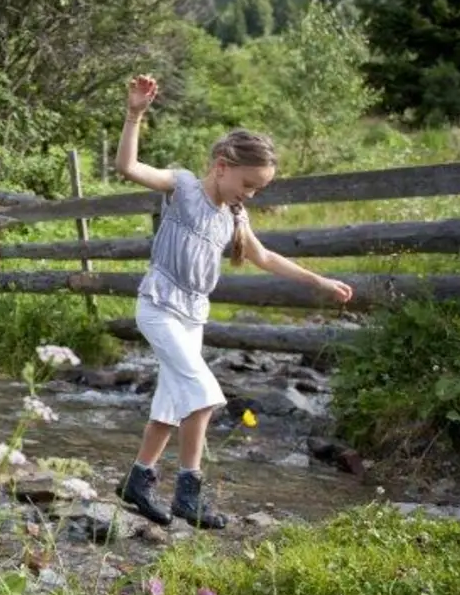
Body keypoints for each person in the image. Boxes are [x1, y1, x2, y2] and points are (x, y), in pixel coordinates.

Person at [112, 74, 354, 529]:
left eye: (258, 189)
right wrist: (135, 114)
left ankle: (138, 480)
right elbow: (129, 168)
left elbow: (264, 256)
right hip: (159, 307)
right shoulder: (183, 187)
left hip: (191, 316)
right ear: (222, 166)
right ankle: (189, 492)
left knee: (171, 403)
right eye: (248, 184)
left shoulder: (234, 214)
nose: (251, 194)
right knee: (203, 394)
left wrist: (317, 280)